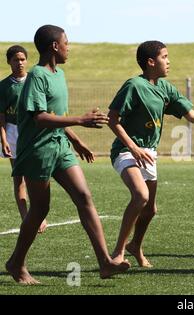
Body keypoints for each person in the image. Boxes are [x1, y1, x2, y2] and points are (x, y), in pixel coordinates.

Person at [5, 25, 130, 285]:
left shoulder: (59, 74)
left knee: (84, 196)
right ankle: (16, 263)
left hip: (60, 146)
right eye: (66, 42)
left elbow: (56, 113)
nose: (68, 47)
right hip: (37, 152)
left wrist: (76, 139)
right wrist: (81, 120)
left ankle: (105, 263)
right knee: (40, 208)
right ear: (54, 46)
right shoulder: (37, 76)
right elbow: (39, 118)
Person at [107, 40, 194, 267]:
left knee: (150, 209)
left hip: (149, 153)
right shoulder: (133, 85)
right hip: (126, 151)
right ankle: (117, 253)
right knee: (140, 196)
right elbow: (112, 120)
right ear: (151, 62)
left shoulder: (165, 88)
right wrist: (133, 147)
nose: (169, 61)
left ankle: (135, 246)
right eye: (165, 56)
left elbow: (192, 115)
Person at [0, 45, 48, 234]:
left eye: (22, 59)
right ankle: (26, 217)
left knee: (37, 175)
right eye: (15, 59)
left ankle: (39, 214)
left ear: (27, 60)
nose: (19, 62)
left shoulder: (34, 81)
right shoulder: (3, 86)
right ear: (9, 62)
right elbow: (1, 117)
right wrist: (3, 140)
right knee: (19, 178)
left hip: (34, 131)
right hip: (13, 133)